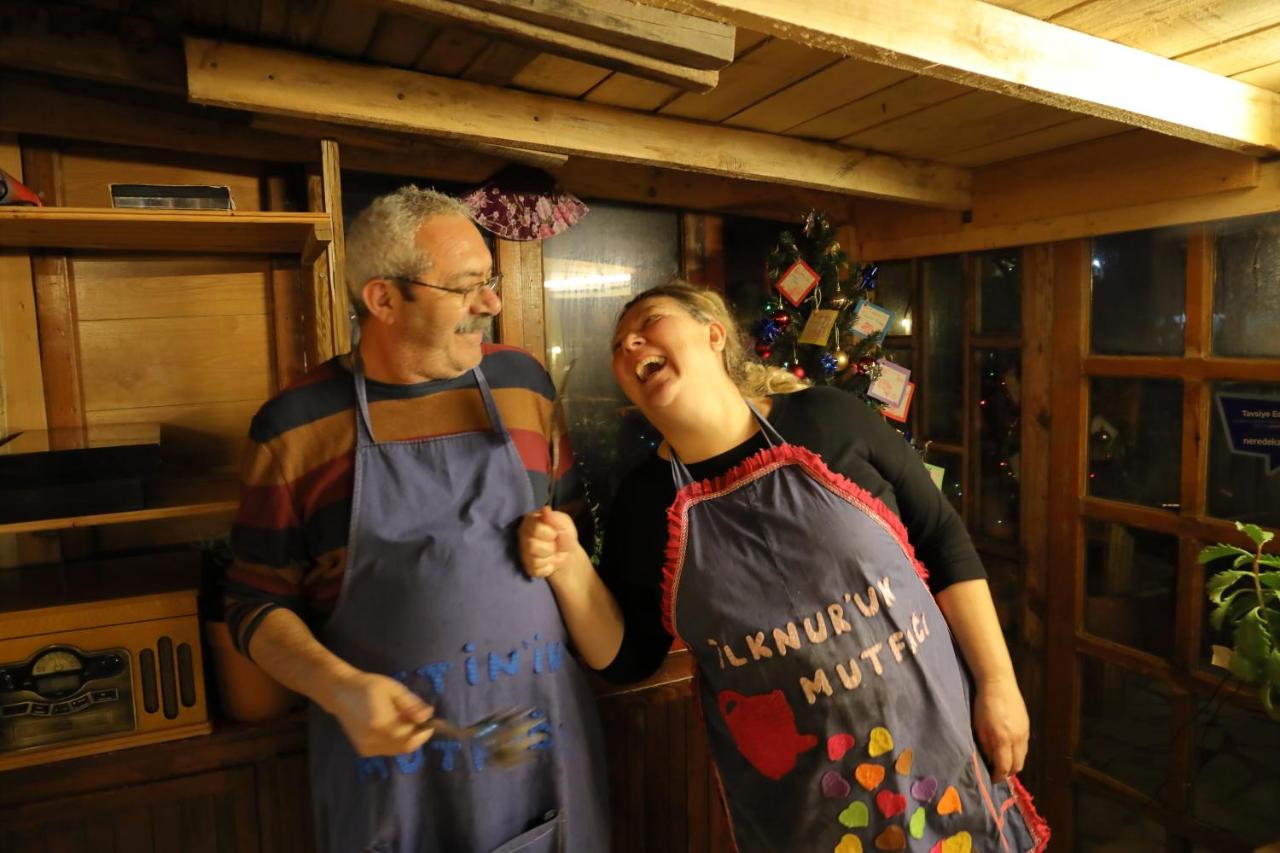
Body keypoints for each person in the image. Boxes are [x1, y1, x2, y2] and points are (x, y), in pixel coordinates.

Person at [520, 282, 1048, 852]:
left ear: (713, 334)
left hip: (940, 746)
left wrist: (997, 682)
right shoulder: (644, 504)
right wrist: (568, 566)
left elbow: (942, 542)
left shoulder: (828, 419)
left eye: (649, 322)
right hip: (806, 810)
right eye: (618, 344)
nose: (629, 343)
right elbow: (629, 656)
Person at [225, 186, 609, 853]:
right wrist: (337, 687)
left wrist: (564, 545)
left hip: (541, 756)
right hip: (392, 786)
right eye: (466, 287)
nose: (490, 304)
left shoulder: (523, 385)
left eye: (489, 282)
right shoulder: (295, 425)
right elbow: (254, 603)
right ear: (383, 299)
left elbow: (576, 537)